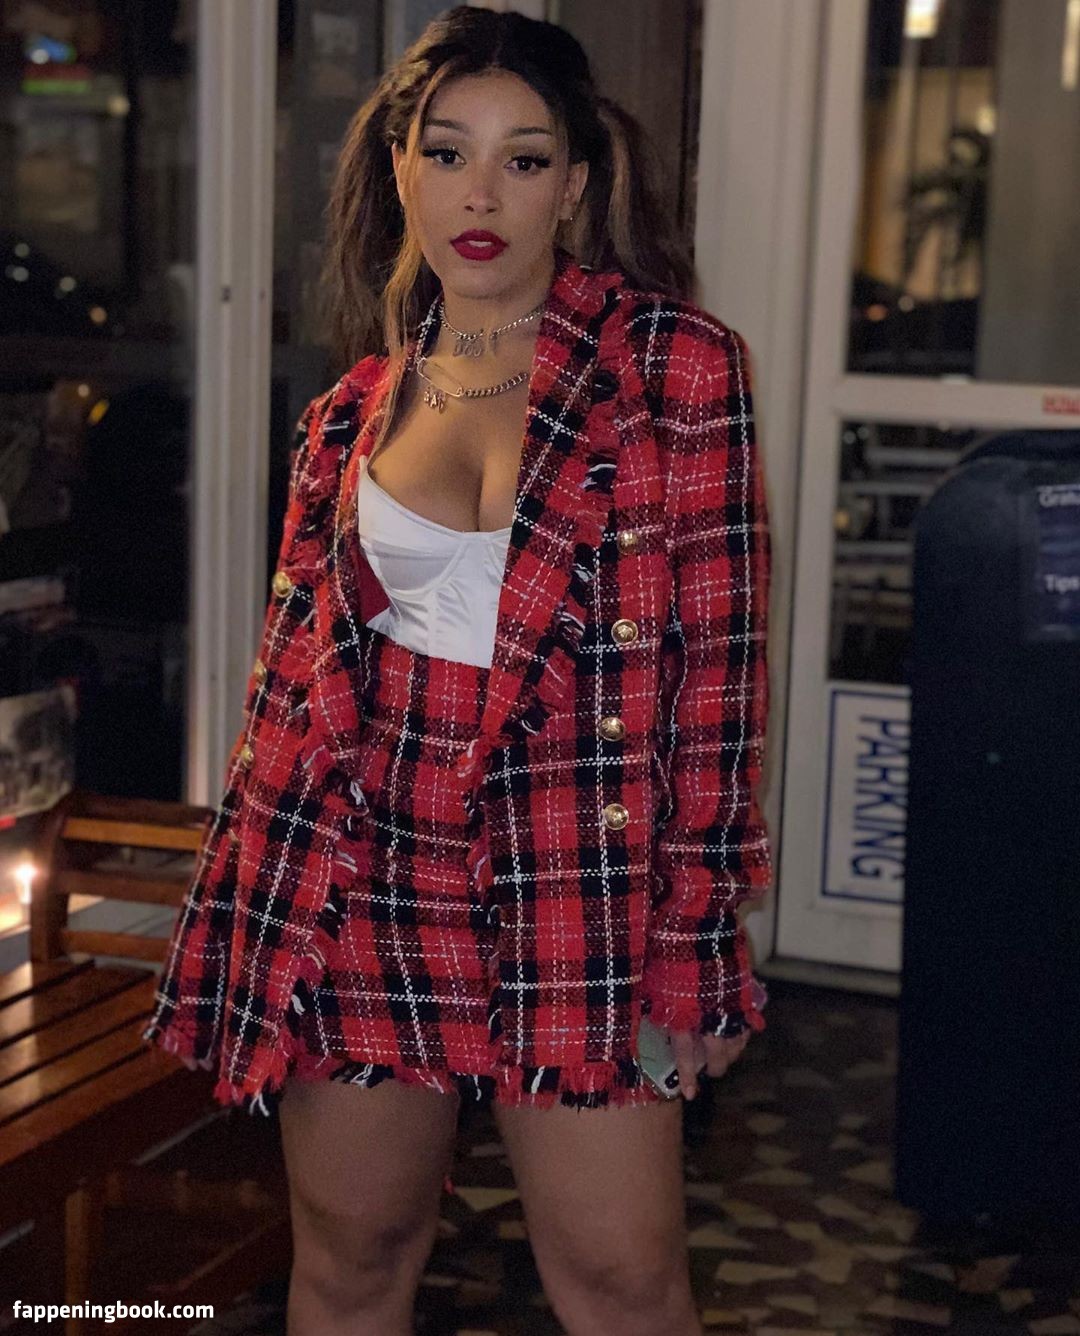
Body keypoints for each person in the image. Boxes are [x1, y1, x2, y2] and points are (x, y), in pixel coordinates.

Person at [143, 8, 771, 1335]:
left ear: (575, 185)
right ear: (401, 170)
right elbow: (289, 691)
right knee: (352, 1261)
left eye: (523, 159)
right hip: (363, 881)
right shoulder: (344, 418)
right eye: (447, 152)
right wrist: (242, 907)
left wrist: (699, 936)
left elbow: (716, 686)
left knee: (621, 1283)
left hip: (578, 881)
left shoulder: (674, 370)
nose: (480, 194)